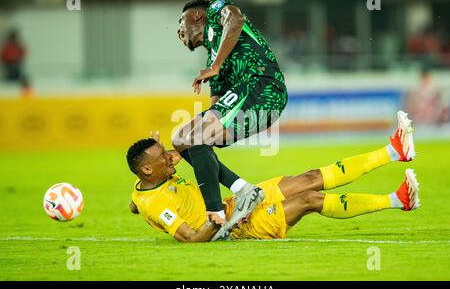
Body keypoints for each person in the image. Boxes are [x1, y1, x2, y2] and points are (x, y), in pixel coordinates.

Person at [127, 111, 419, 242]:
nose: (170, 157)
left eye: (167, 152)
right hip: (240, 224)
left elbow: (135, 203)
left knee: (307, 178)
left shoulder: (148, 188)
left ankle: (394, 151)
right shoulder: (156, 204)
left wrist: (140, 198)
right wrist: (222, 223)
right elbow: (190, 238)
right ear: (148, 169)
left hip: (235, 202)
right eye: (162, 157)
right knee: (309, 199)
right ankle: (397, 200)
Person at [174, 0, 288, 239]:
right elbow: (215, 108)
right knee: (181, 138)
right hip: (246, 98)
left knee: (196, 137)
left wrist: (216, 66)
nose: (179, 31)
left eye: (180, 21)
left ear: (196, 16)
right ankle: (244, 190)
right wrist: (192, 149)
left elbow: (235, 18)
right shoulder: (212, 57)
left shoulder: (216, 11)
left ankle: (216, 217)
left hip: (262, 87)